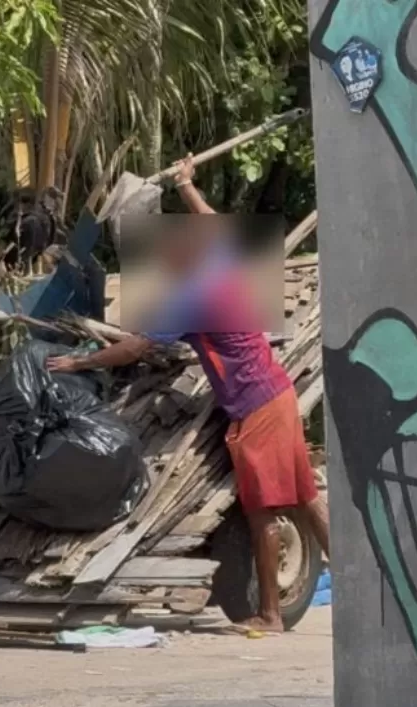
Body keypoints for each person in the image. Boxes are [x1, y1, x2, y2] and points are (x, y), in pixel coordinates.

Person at [47, 155, 330, 633]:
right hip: (274, 394)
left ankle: (272, 615)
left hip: (257, 406)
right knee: (304, 496)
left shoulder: (191, 298)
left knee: (262, 512)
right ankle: (370, 584)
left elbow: (137, 347)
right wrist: (187, 186)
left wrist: (82, 361)